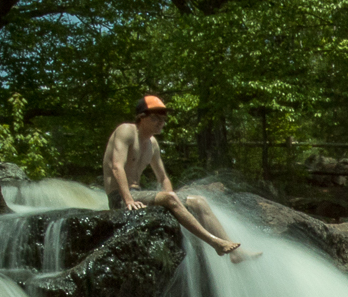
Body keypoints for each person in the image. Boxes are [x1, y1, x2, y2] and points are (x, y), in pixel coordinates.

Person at [101, 94, 258, 261]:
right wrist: (128, 200)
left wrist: (172, 199)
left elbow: (163, 178)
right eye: (155, 118)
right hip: (120, 197)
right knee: (170, 198)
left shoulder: (152, 144)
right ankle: (216, 244)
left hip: (138, 193)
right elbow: (116, 166)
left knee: (199, 201)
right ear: (141, 117)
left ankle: (235, 252)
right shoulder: (126, 131)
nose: (161, 123)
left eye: (163, 119)